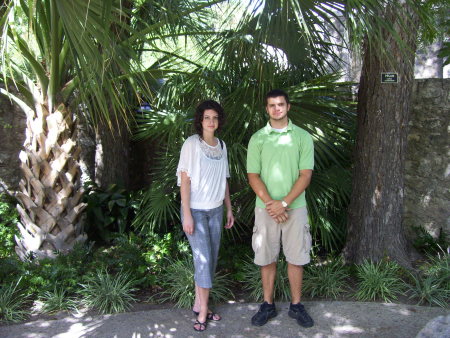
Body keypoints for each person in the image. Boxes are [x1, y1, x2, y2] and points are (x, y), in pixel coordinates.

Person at [246, 89, 314, 328]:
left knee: (296, 258)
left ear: (288, 107)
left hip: (295, 208)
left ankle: (296, 306)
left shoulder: (303, 137)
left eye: (281, 104)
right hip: (265, 209)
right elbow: (253, 175)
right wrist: (272, 205)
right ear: (267, 109)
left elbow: (305, 175)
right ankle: (268, 304)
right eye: (272, 105)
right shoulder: (258, 138)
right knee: (267, 259)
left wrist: (283, 203)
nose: (277, 108)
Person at [176, 100, 235, 332]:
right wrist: (187, 214)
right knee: (202, 260)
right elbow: (185, 180)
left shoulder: (222, 145)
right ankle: (203, 312)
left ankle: (198, 303)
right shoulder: (191, 144)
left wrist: (229, 208)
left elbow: (224, 180)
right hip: (196, 211)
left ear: (219, 121)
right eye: (207, 117)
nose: (211, 121)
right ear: (200, 120)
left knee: (210, 259)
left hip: (216, 209)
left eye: (215, 117)